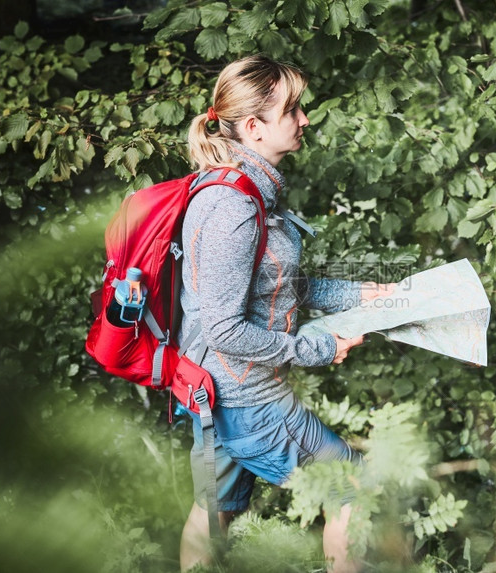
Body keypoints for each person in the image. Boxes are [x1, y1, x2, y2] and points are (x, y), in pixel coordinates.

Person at [177, 54, 393, 573]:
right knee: (353, 490)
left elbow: (278, 286)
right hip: (246, 397)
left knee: (214, 512)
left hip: (213, 394)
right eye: (292, 110)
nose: (305, 120)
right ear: (253, 128)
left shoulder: (240, 191)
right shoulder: (233, 206)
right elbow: (225, 326)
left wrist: (362, 293)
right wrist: (316, 347)